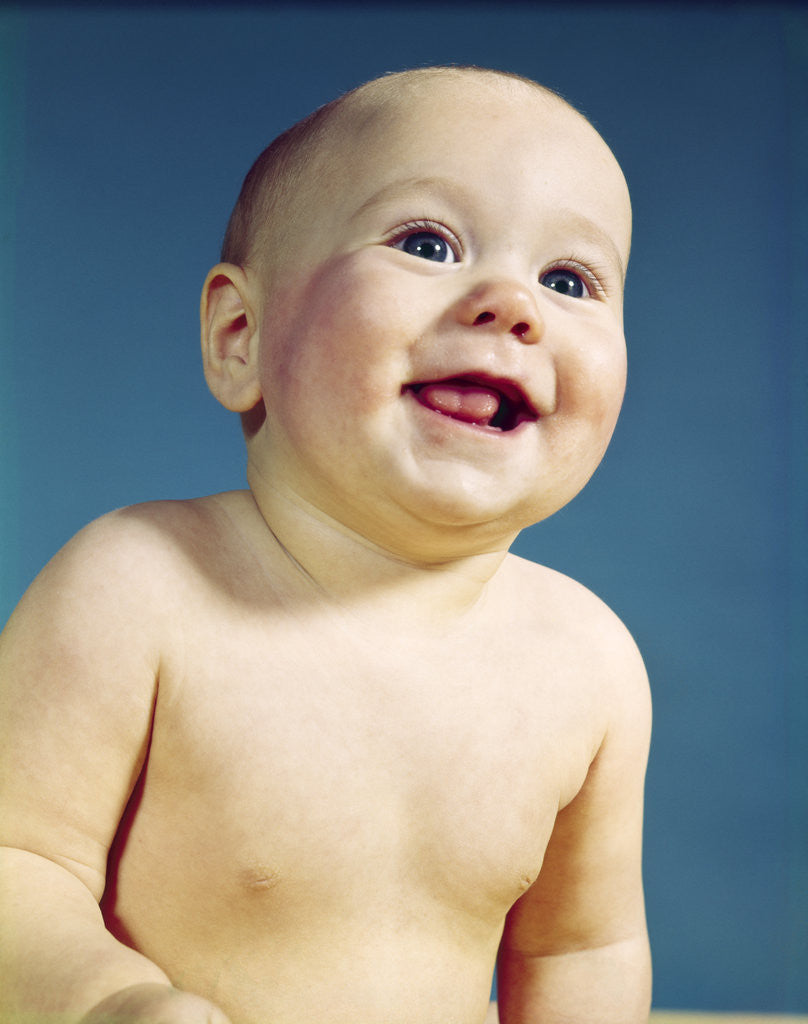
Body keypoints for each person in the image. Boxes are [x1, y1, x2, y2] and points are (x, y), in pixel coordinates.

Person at [0, 65, 652, 1024]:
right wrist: (110, 1001)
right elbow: (17, 866)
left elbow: (579, 948)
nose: (514, 305)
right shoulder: (137, 586)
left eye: (569, 280)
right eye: (427, 243)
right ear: (240, 337)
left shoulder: (590, 662)